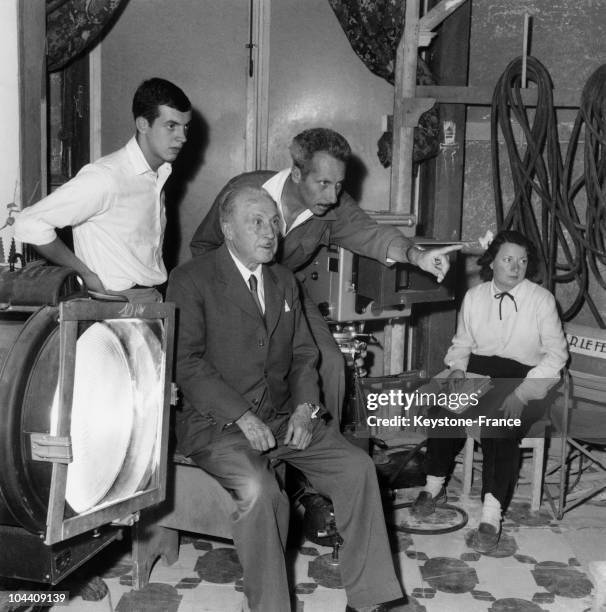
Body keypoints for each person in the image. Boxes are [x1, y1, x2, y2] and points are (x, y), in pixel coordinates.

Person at [167, 185, 405, 612]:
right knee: (261, 493)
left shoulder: (283, 280)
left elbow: (303, 354)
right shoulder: (191, 279)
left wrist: (304, 406)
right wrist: (241, 415)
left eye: (274, 221)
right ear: (227, 229)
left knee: (357, 467)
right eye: (256, 221)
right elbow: (186, 363)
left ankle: (370, 600)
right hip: (217, 424)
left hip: (282, 416)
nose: (270, 231)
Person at [190, 127, 461, 421]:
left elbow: (372, 235)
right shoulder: (244, 192)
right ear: (296, 173)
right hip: (230, 290)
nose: (332, 196)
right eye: (323, 183)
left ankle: (323, 447)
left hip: (287, 290)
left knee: (330, 362)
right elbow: (203, 245)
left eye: (338, 185)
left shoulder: (333, 208)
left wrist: (417, 256)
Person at [411, 230, 568, 552]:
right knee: (444, 409)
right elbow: (463, 343)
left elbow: (556, 356)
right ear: (492, 262)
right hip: (478, 372)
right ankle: (434, 484)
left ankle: (492, 513)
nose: (516, 266)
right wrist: (456, 368)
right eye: (508, 259)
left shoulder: (541, 300)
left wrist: (522, 393)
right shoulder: (475, 296)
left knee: (500, 425)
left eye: (522, 261)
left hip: (527, 379)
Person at [14, 77, 192, 303]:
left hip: (151, 300)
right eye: (171, 126)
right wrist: (85, 273)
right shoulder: (106, 177)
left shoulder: (159, 175)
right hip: (114, 305)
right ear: (143, 124)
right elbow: (29, 223)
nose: (183, 137)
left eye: (186, 126)